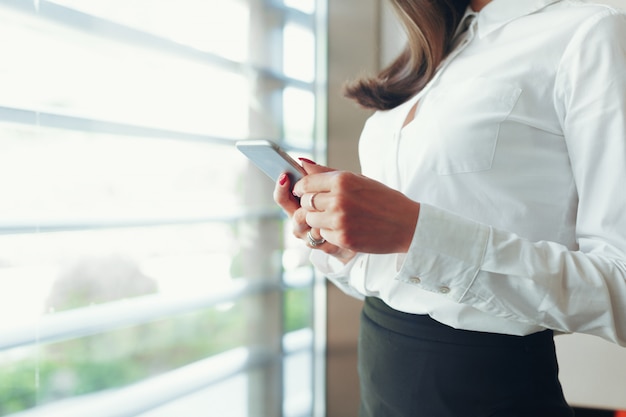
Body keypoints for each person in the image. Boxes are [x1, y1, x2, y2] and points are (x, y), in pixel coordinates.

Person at [274, 0, 626, 415]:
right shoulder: (436, 50)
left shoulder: (589, 33)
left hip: (486, 389)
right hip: (381, 369)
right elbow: (398, 276)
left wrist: (415, 231)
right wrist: (343, 242)